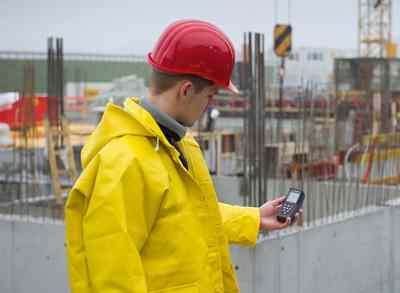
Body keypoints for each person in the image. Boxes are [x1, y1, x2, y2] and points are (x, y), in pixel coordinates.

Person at [65, 19, 301, 293]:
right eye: (210, 95)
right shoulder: (124, 163)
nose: (209, 105)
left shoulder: (178, 143)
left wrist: (255, 218)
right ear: (186, 90)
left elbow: (187, 217)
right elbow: (111, 279)